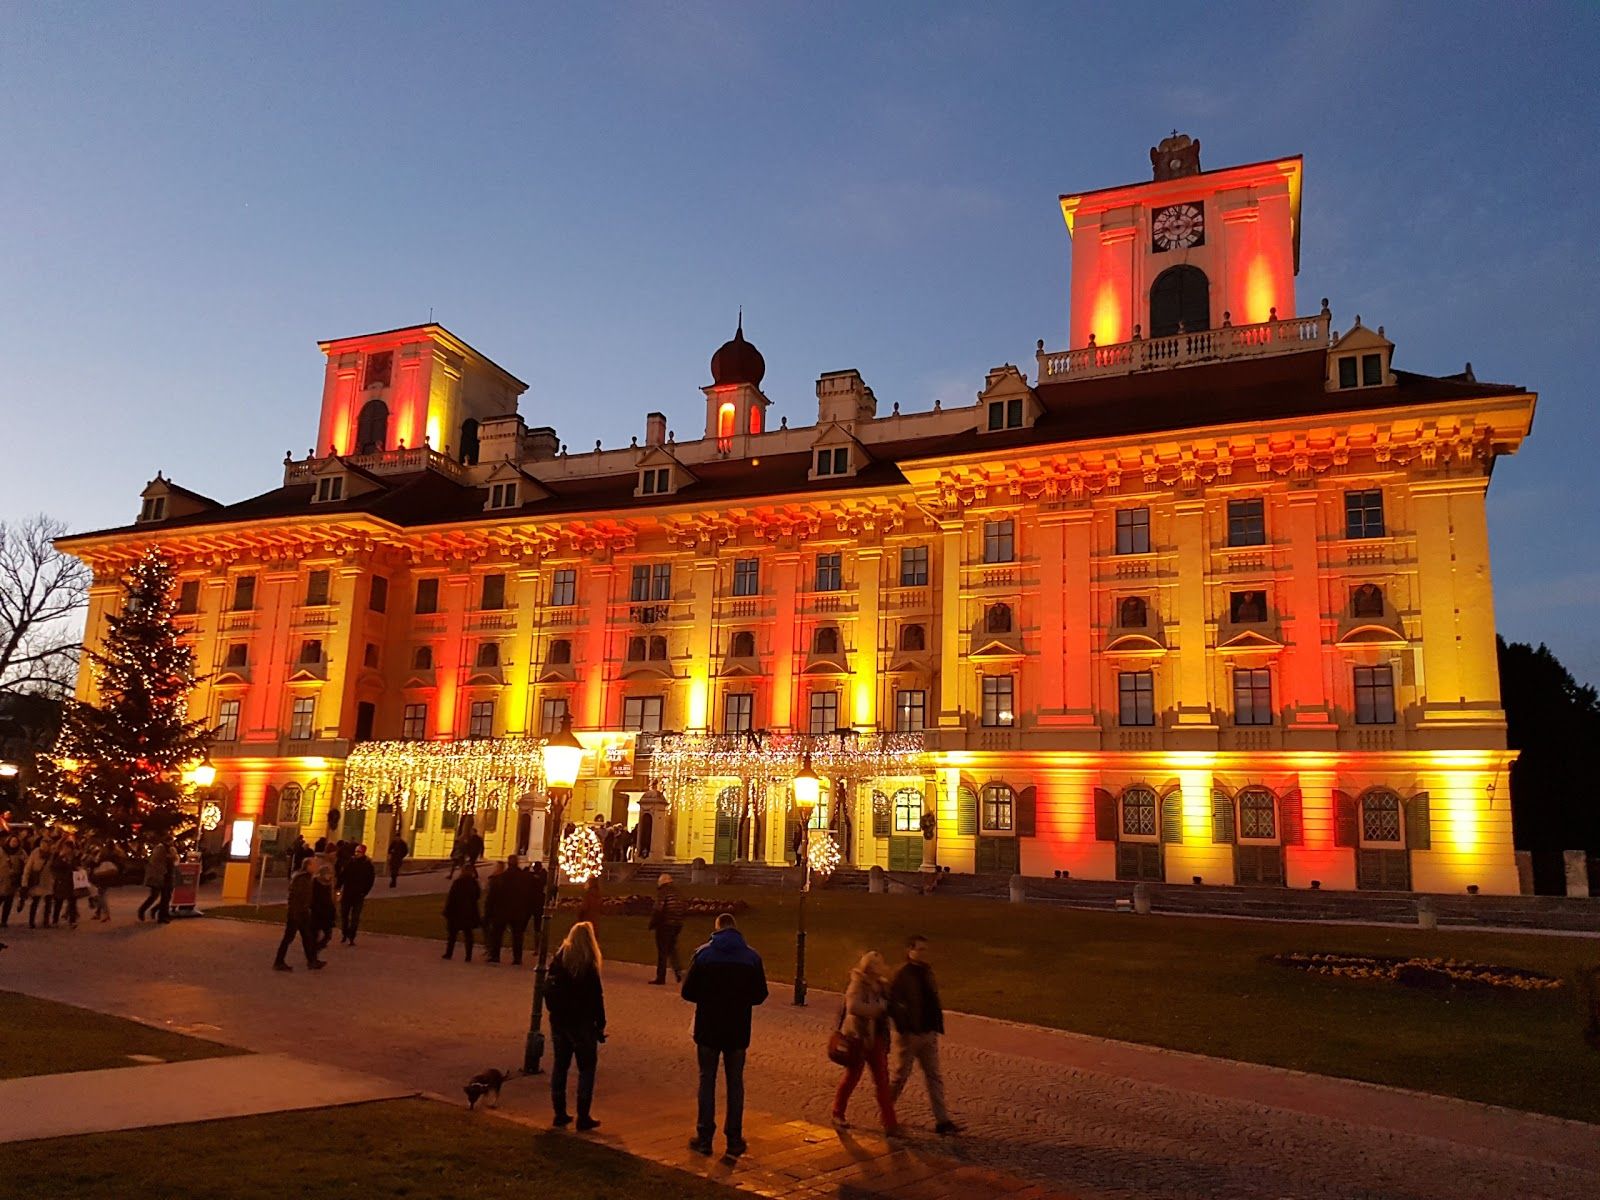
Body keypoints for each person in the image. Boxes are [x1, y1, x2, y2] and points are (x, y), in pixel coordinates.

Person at [681, 912, 768, 1157]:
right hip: (738, 1029)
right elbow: (760, 994)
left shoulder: (704, 955)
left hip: (708, 1027)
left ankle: (705, 1136)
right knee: (735, 1082)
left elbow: (687, 992)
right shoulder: (751, 957)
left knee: (706, 1079)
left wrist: (709, 997)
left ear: (716, 928)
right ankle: (734, 1138)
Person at [889, 935, 960, 1135]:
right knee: (900, 1075)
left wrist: (936, 1025)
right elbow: (892, 1003)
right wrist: (905, 1026)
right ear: (909, 950)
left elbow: (932, 998)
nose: (922, 953)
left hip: (929, 1032)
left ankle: (942, 1121)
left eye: (924, 950)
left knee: (934, 1076)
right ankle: (886, 1110)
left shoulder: (927, 971)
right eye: (919, 949)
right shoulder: (902, 974)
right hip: (911, 1034)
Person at [831, 950, 901, 1136]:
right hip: (859, 1038)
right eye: (878, 965)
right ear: (869, 967)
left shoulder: (881, 985)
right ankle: (838, 1113)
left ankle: (890, 1124)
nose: (882, 968)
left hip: (877, 1039)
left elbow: (891, 1006)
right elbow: (853, 1007)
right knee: (852, 1077)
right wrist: (877, 1009)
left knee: (882, 1081)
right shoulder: (858, 984)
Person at [546, 920, 606, 1131]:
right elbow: (597, 997)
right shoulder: (588, 965)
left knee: (560, 1066)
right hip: (582, 1023)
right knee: (586, 1069)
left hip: (560, 1021)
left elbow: (548, 990)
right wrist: (601, 1024)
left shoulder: (559, 961)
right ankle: (583, 1116)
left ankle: (559, 1113)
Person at [273, 864, 324, 971]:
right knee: (288, 938)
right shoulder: (301, 879)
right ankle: (279, 961)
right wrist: (295, 912)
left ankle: (312, 961)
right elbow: (296, 896)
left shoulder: (307, 878)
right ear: (308, 866)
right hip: (297, 913)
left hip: (303, 912)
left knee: (307, 937)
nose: (316, 867)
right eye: (314, 865)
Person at [647, 872, 685, 985]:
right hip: (677, 924)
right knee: (672, 949)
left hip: (665, 924)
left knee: (662, 951)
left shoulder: (663, 892)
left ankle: (661, 977)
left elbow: (659, 909)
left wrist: (652, 923)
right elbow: (683, 907)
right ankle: (678, 971)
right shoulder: (677, 892)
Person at [501, 855, 539, 966]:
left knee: (499, 931)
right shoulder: (523, 876)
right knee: (518, 935)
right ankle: (517, 958)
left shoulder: (505, 876)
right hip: (519, 909)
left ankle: (495, 955)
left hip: (506, 908)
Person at [442, 863, 480, 961]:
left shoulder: (458, 882)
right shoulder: (474, 883)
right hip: (469, 911)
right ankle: (468, 956)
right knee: (468, 935)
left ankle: (449, 953)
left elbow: (452, 897)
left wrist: (447, 911)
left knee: (452, 934)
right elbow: (477, 896)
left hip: (456, 911)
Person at [339, 843, 376, 944]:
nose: (356, 853)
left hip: (358, 895)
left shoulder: (367, 865)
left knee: (355, 917)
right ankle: (344, 933)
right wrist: (338, 887)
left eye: (358, 852)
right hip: (347, 893)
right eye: (355, 851)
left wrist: (364, 892)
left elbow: (370, 880)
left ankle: (352, 936)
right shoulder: (350, 862)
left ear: (363, 853)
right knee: (344, 915)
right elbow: (343, 876)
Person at [482, 860, 510, 964]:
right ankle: (493, 953)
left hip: (495, 911)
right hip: (501, 911)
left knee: (494, 933)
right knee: (496, 934)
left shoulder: (496, 881)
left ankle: (493, 953)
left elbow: (490, 898)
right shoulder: (503, 880)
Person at [137, 840, 170, 923]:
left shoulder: (161, 848)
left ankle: (150, 910)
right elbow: (159, 863)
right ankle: (143, 910)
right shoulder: (161, 849)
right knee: (156, 895)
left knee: (164, 896)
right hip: (157, 876)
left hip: (161, 875)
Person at [90, 844, 120, 923]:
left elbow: (96, 863)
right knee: (101, 894)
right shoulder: (115, 854)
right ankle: (98, 913)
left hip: (102, 877)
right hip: (108, 876)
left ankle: (106, 914)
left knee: (101, 895)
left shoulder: (103, 855)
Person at [311, 860, 337, 950]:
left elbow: (330, 899)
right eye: (327, 874)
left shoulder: (329, 884)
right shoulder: (315, 882)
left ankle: (317, 947)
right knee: (316, 932)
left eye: (330, 874)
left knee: (327, 934)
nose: (329, 876)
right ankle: (314, 949)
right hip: (317, 911)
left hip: (327, 911)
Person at [0, 834, 25, 927]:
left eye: (16, 842)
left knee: (8, 902)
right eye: (12, 841)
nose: (14, 843)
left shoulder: (21, 852)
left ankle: (4, 921)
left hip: (12, 881)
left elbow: (26, 862)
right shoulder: (2, 851)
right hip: (2, 879)